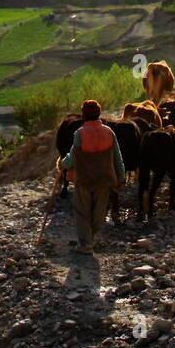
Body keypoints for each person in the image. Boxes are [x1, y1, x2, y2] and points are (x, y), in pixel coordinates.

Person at [55, 99, 124, 255]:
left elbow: (72, 158)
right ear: (99, 113)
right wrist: (120, 178)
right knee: (99, 212)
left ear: (84, 115)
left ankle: (86, 244)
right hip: (104, 178)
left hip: (84, 179)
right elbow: (117, 158)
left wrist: (63, 164)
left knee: (82, 211)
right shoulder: (109, 132)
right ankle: (90, 239)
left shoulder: (80, 133)